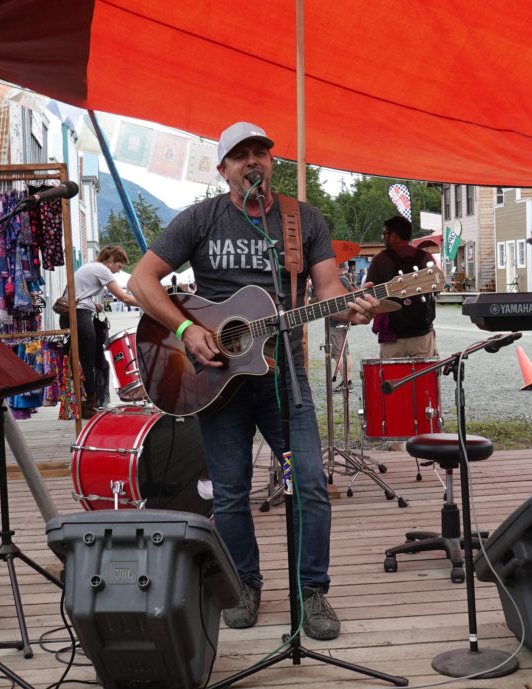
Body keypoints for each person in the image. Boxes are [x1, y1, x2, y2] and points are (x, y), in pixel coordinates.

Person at [129, 121, 378, 641]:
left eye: (260, 152)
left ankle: (311, 590)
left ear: (271, 162)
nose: (252, 161)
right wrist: (186, 329)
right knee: (229, 492)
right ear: (223, 169)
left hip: (284, 377)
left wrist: (350, 308)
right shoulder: (200, 218)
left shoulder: (301, 220)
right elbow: (140, 280)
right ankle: (244, 583)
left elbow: (328, 290)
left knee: (307, 484)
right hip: (217, 379)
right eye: (241, 155)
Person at [62, 245, 139, 418]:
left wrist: (92, 303)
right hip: (80, 315)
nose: (118, 272)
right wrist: (146, 304)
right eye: (119, 267)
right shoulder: (103, 270)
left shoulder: (91, 266)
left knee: (81, 361)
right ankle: (90, 405)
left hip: (71, 314)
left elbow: (80, 291)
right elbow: (123, 297)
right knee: (88, 362)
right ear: (111, 260)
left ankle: (82, 402)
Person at [366, 215, 438, 358]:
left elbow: (369, 294)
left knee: (393, 373)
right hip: (422, 333)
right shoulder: (425, 257)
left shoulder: (380, 260)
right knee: (425, 373)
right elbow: (436, 290)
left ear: (394, 236)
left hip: (392, 336)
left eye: (385, 234)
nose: (383, 238)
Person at [327, 263, 354, 389]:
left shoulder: (339, 281)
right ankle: (348, 380)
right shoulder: (345, 280)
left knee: (338, 353)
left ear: (337, 266)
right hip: (343, 319)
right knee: (345, 352)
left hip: (336, 321)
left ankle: (346, 381)